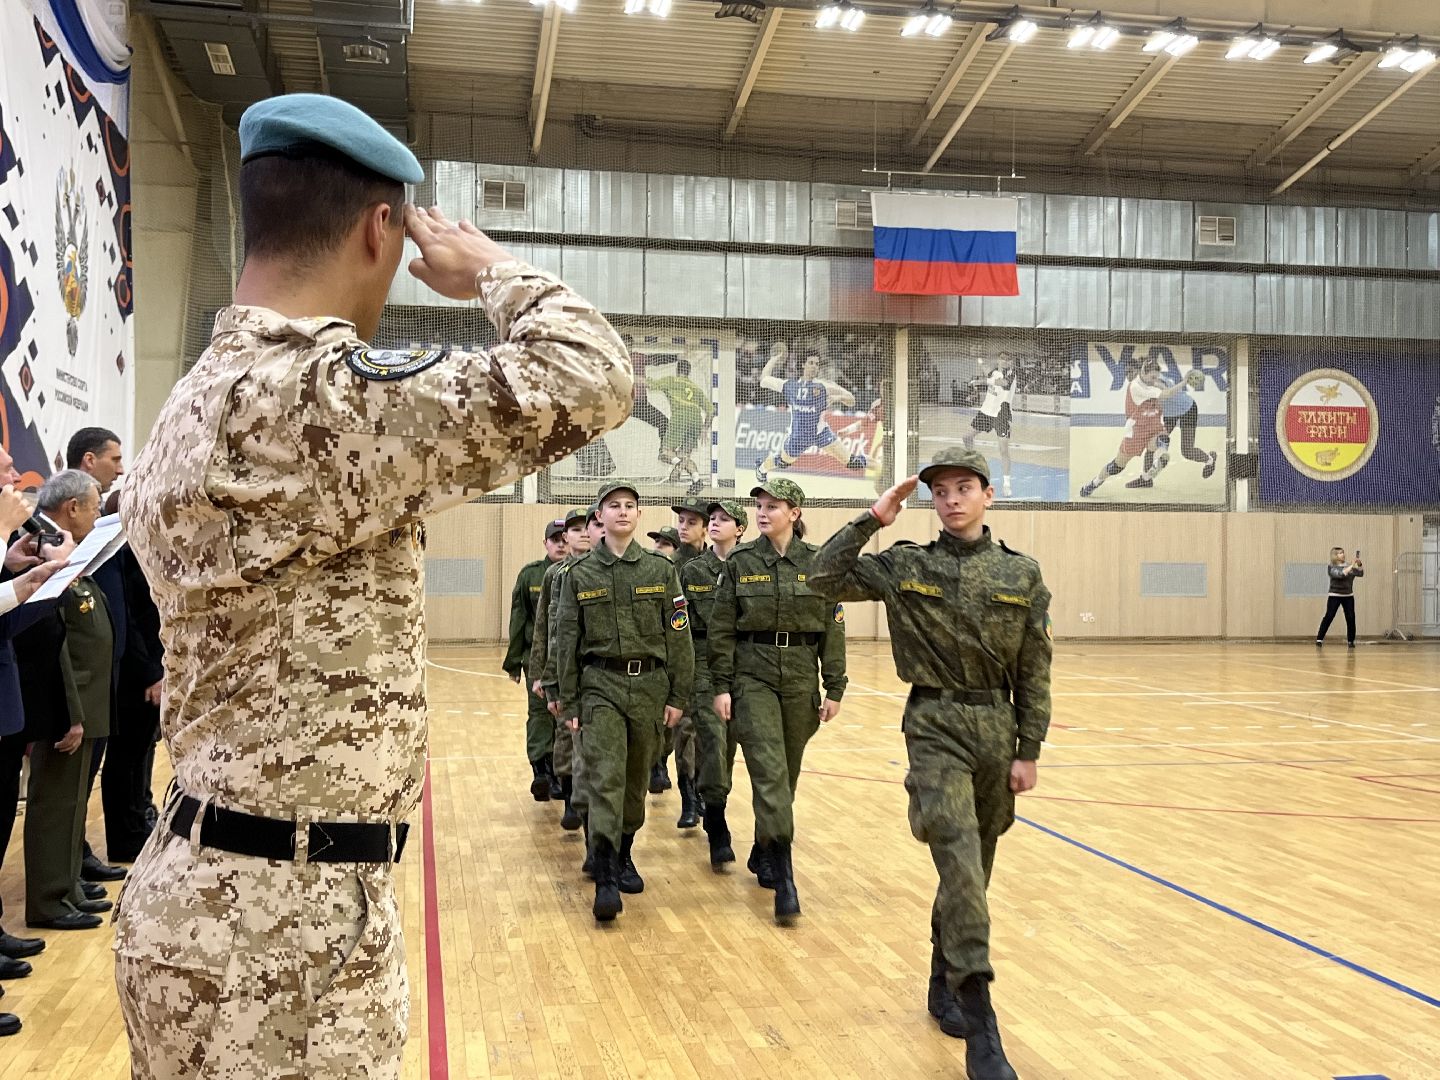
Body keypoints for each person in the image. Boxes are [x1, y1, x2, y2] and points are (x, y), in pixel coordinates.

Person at [115, 93, 633, 1079]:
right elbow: (592, 375)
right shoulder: (305, 400)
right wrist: (494, 273)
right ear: (378, 227)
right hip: (281, 928)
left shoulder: (206, 395)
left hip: (240, 896)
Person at [809, 447, 1052, 1080]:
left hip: (997, 729)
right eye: (940, 490)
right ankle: (981, 1018)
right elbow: (820, 578)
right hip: (933, 725)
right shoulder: (904, 565)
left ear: (988, 495)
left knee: (976, 868)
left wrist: (1029, 749)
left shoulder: (1021, 575)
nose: (951, 499)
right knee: (959, 859)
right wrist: (873, 517)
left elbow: (1035, 668)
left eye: (964, 487)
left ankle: (944, 971)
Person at [553, 481, 693, 921]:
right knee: (606, 778)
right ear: (600, 516)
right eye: (613, 506)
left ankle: (626, 850)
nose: (623, 512)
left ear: (638, 515)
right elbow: (567, 642)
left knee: (635, 782)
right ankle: (607, 872)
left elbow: (679, 637)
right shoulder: (579, 574)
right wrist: (569, 701)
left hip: (649, 688)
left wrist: (679, 695)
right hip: (600, 687)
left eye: (630, 506)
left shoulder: (659, 570)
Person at [708, 478, 846, 923]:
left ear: (795, 513)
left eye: (773, 506)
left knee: (786, 778)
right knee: (769, 774)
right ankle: (785, 876)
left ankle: (765, 846)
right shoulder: (741, 563)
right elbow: (723, 626)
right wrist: (722, 685)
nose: (763, 512)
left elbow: (833, 625)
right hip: (754, 676)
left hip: (802, 676)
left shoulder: (820, 562)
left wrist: (835, 686)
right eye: (759, 506)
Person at [16, 471, 115, 932]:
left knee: (74, 801)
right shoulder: (35, 546)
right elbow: (53, 641)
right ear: (73, 506)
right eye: (94, 506)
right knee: (53, 803)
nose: (98, 515)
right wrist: (71, 711)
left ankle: (68, 884)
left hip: (83, 697)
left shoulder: (64, 547)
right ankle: (50, 897)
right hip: (63, 700)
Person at [682, 498, 747, 868]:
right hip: (704, 665)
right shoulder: (693, 572)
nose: (717, 523)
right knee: (712, 737)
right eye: (714, 519)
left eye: (726, 519)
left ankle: (715, 802)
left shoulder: (750, 566)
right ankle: (717, 821)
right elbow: (681, 628)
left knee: (729, 749)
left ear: (741, 528)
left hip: (744, 665)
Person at [531, 508, 596, 833]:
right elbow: (544, 628)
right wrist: (540, 673)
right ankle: (571, 799)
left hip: (596, 669)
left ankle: (592, 813)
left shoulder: (602, 572)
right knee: (564, 736)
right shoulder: (555, 574)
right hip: (564, 670)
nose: (582, 533)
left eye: (586, 527)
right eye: (574, 529)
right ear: (565, 537)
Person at [651, 495, 710, 816]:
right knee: (684, 728)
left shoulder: (717, 565)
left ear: (704, 528)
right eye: (681, 521)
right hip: (677, 657)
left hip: (710, 657)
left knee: (707, 734)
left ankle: (701, 790)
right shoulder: (668, 566)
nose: (683, 528)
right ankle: (689, 798)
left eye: (691, 522)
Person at [505, 519, 568, 801]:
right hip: (536, 658)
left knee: (563, 714)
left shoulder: (577, 572)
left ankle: (560, 771)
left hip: (566, 659)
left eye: (564, 539)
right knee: (540, 713)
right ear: (546, 543)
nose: (561, 544)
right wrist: (514, 662)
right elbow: (519, 617)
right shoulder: (531, 575)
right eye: (555, 540)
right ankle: (541, 770)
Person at [1080, 358, 1201, 497]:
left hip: (1153, 426)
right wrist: (1184, 382)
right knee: (1116, 467)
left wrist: (1163, 385)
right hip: (1136, 432)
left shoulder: (1152, 381)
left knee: (1163, 438)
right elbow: (1166, 393)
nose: (1154, 379)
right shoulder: (1136, 387)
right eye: (1152, 377)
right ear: (1143, 372)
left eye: (1156, 377)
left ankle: (1160, 460)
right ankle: (1095, 482)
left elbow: (1163, 387)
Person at [754, 350, 866, 484]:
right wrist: (773, 359)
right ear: (803, 365)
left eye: (817, 364)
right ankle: (761, 468)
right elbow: (764, 380)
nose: (814, 366)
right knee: (783, 462)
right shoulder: (790, 386)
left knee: (855, 463)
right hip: (798, 437)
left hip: (821, 434)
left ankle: (879, 465)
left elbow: (851, 400)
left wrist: (838, 397)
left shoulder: (824, 386)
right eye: (811, 363)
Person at [1139, 370, 1217, 485]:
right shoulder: (1141, 383)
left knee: (1187, 451)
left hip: (1187, 409)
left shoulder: (1157, 382)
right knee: (1151, 444)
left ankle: (1210, 460)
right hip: (1169, 414)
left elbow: (1164, 389)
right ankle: (1146, 479)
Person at [648, 357, 713, 483]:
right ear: (688, 372)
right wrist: (705, 428)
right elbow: (710, 410)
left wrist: (637, 378)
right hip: (696, 421)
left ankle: (679, 464)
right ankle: (696, 479)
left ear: (677, 370)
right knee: (684, 454)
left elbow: (651, 385)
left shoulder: (672, 380)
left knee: (665, 453)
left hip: (681, 417)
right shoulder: (695, 388)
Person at [963, 356, 1016, 498]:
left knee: (1003, 449)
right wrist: (978, 357)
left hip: (1001, 415)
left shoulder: (1011, 374)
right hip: (986, 412)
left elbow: (1003, 382)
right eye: (1002, 359)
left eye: (1008, 359)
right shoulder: (993, 372)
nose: (1005, 361)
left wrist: (981, 381)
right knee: (967, 437)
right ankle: (973, 464)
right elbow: (985, 368)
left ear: (1010, 362)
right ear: (998, 361)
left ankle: (1006, 485)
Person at [1317, 547, 1363, 648]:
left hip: (1348, 596)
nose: (1343, 554)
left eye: (1343, 552)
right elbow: (1341, 574)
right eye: (1340, 553)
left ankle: (1351, 641)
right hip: (1335, 595)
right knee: (1329, 616)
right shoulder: (1331, 567)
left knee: (1351, 617)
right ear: (1335, 556)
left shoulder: (1348, 566)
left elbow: (1360, 573)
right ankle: (1319, 639)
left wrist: (1359, 565)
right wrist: (1352, 565)